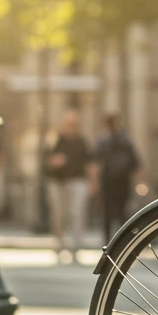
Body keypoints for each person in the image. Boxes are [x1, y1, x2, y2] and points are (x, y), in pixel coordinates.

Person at [45, 110, 94, 262]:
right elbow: (46, 161)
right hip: (57, 182)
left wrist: (93, 182)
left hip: (77, 182)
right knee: (58, 215)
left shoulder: (81, 141)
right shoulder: (56, 140)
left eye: (75, 124)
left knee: (77, 214)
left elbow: (90, 163)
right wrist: (55, 162)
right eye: (69, 124)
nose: (72, 127)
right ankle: (60, 245)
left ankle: (76, 248)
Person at [94, 114, 141, 239]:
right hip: (120, 180)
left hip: (111, 180)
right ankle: (122, 238)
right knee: (121, 212)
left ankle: (109, 240)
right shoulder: (125, 139)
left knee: (110, 213)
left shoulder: (105, 140)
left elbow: (96, 160)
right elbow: (135, 162)